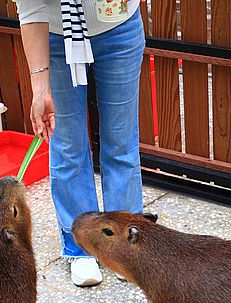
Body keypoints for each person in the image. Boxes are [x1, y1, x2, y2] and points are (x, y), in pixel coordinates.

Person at [14, 0, 144, 286]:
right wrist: (40, 89)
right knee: (67, 145)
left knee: (121, 143)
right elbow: (31, 7)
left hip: (119, 26)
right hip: (55, 36)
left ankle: (124, 243)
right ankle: (81, 246)